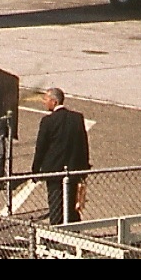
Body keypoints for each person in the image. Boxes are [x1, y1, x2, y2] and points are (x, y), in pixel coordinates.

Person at [31, 88, 90, 225]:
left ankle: (56, 232)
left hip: (53, 170)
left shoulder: (48, 121)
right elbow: (83, 144)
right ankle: (73, 230)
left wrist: (35, 169)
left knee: (55, 203)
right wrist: (84, 167)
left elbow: (41, 147)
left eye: (46, 100)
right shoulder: (77, 118)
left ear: (54, 101)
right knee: (71, 202)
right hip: (73, 168)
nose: (44, 102)